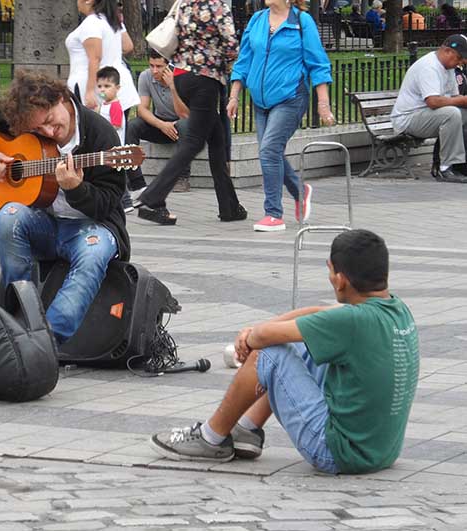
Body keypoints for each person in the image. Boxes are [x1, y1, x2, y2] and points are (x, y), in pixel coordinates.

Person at [150, 229, 420, 475]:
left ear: (339, 280)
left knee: (270, 354)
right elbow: (318, 314)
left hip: (338, 453)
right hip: (380, 452)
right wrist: (261, 328)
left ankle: (211, 438)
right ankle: (246, 429)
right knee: (306, 343)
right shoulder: (394, 310)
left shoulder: (352, 322)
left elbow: (265, 339)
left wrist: (251, 336)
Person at [0, 69, 129, 346]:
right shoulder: (23, 117)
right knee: (9, 215)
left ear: (60, 98)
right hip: (43, 223)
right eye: (37, 130)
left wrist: (76, 189)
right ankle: (16, 318)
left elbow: (108, 202)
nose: (48, 131)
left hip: (90, 228)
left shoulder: (101, 135)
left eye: (49, 120)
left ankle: (44, 341)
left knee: (95, 252)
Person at [135, 0, 247, 226]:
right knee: (194, 142)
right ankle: (152, 198)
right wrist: (222, 62)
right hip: (205, 78)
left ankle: (229, 206)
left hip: (181, 75)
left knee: (217, 139)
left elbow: (174, 35)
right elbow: (231, 45)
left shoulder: (185, 3)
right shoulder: (218, 5)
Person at [227, 0, 333, 232]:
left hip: (290, 98)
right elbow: (243, 60)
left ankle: (273, 214)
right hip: (260, 101)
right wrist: (234, 96)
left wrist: (323, 104)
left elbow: (318, 64)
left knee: (268, 150)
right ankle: (299, 191)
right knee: (270, 151)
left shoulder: (302, 22)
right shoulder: (257, 20)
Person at [391, 34, 467, 183]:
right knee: (451, 114)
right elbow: (433, 101)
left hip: (428, 116)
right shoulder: (429, 66)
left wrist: (462, 102)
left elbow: (454, 98)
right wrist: (463, 100)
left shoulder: (448, 68)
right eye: (458, 58)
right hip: (408, 119)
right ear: (447, 51)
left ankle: (460, 165)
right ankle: (445, 167)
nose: (459, 63)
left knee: (460, 114)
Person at [125, 50, 191, 199]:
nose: (154, 70)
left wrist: (173, 87)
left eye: (159, 66)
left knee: (185, 125)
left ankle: (182, 178)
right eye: (151, 65)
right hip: (161, 123)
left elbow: (185, 114)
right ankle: (136, 181)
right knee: (132, 126)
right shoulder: (145, 76)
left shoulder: (182, 77)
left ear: (169, 66)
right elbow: (142, 109)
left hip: (182, 124)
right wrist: (162, 125)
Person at [65, 0, 139, 113]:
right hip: (118, 82)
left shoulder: (91, 23)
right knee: (119, 128)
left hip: (96, 88)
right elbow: (127, 46)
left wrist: (89, 91)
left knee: (94, 129)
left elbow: (95, 58)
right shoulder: (111, 20)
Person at [96, 66, 125, 145]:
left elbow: (115, 126)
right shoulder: (103, 104)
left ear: (117, 88)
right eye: (99, 86)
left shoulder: (115, 106)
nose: (102, 89)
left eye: (107, 86)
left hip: (114, 146)